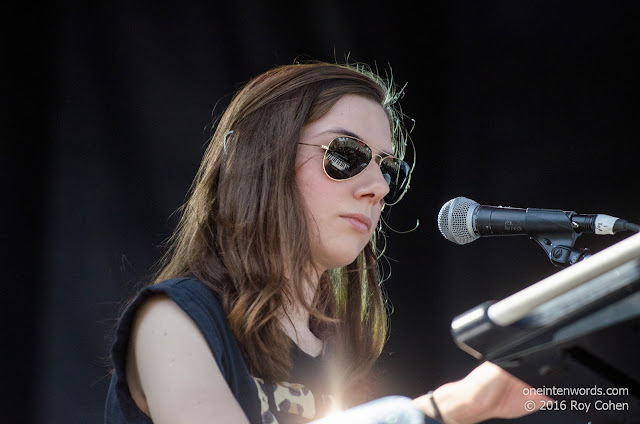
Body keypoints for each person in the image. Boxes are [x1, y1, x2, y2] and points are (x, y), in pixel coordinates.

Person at [105, 61, 548, 424]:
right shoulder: (173, 319)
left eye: (389, 169)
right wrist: (445, 408)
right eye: (346, 154)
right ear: (262, 160)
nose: (378, 187)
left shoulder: (332, 348)